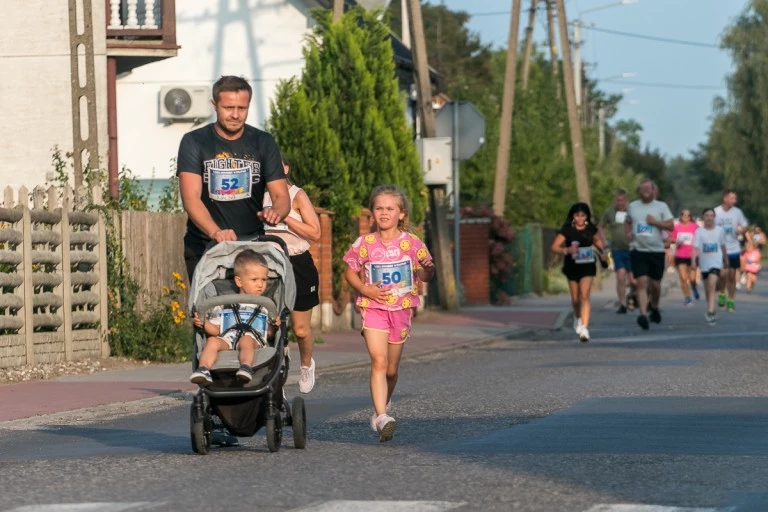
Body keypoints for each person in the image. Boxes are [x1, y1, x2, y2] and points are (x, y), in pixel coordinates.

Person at [177, 75, 291, 282]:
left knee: (255, 310)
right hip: (206, 244)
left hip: (252, 246)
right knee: (210, 311)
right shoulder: (194, 141)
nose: (236, 115)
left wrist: (277, 212)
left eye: (242, 108)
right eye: (229, 108)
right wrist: (216, 232)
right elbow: (190, 198)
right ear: (215, 105)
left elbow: (282, 196)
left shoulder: (263, 142)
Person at [343, 185, 434, 442]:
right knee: (378, 361)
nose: (384, 213)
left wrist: (428, 268)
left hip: (402, 310)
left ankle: (384, 401)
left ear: (401, 214)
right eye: (379, 208)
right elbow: (349, 270)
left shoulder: (412, 243)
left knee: (391, 370)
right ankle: (381, 416)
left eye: (390, 209)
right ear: (372, 213)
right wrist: (365, 289)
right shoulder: (364, 243)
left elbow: (426, 274)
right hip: (373, 308)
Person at [263, 155, 322, 394]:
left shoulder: (298, 195)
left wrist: (285, 215)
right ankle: (272, 370)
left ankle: (307, 364)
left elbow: (315, 233)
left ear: (286, 168)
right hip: (268, 264)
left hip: (298, 262)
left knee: (300, 329)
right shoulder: (260, 197)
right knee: (267, 325)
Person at [189, 250, 278, 386]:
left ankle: (246, 367)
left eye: (264, 280)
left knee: (246, 340)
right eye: (254, 280)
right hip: (228, 339)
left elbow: (269, 334)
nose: (260, 285)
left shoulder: (264, 305)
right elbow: (216, 330)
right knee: (212, 341)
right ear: (239, 281)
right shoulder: (224, 304)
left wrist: (274, 325)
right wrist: (203, 323)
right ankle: (204, 369)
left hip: (254, 340)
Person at [552, 203, 607, 343]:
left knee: (584, 294)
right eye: (577, 215)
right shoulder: (567, 230)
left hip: (588, 265)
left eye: (583, 215)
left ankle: (585, 328)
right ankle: (577, 318)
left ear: (587, 216)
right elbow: (555, 247)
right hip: (572, 266)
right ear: (573, 216)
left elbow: (598, 242)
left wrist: (602, 253)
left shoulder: (590, 229)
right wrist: (567, 250)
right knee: (576, 299)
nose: (580, 218)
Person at [624, 179, 675, 330]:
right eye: (643, 188)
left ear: (653, 191)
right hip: (638, 249)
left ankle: (654, 307)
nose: (646, 191)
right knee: (641, 282)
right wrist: (628, 233)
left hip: (657, 250)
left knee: (655, 285)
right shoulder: (632, 206)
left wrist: (655, 223)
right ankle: (643, 315)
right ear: (639, 191)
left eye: (648, 188)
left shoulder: (661, 206)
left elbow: (671, 226)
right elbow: (627, 222)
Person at [599, 189, 635, 313]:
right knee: (620, 277)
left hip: (632, 249)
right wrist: (604, 241)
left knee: (633, 280)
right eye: (617, 200)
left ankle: (632, 296)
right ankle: (623, 304)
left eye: (622, 200)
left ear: (626, 200)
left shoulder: (633, 211)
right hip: (617, 249)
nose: (620, 203)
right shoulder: (609, 212)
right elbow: (601, 226)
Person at [714, 190, 748, 312]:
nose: (734, 201)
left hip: (734, 248)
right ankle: (722, 293)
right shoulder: (716, 212)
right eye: (732, 198)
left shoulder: (737, 212)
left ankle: (731, 300)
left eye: (735, 198)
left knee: (732, 276)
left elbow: (745, 225)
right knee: (723, 275)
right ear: (725, 198)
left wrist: (741, 230)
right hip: (720, 249)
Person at [691, 209, 727, 324]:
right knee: (708, 288)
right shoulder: (699, 232)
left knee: (712, 284)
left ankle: (710, 311)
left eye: (711, 215)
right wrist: (693, 261)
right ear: (703, 217)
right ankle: (712, 308)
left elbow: (723, 246)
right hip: (704, 263)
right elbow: (695, 248)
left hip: (716, 262)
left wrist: (726, 259)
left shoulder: (720, 231)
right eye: (707, 215)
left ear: (714, 217)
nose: (709, 218)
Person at [670, 209, 700, 306]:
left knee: (692, 278)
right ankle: (687, 298)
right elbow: (672, 238)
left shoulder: (695, 227)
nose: (685, 217)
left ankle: (694, 286)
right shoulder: (677, 227)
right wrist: (676, 241)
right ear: (681, 216)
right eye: (683, 215)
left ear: (690, 217)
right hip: (680, 255)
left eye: (687, 215)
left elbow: (701, 237)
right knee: (683, 278)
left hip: (692, 255)